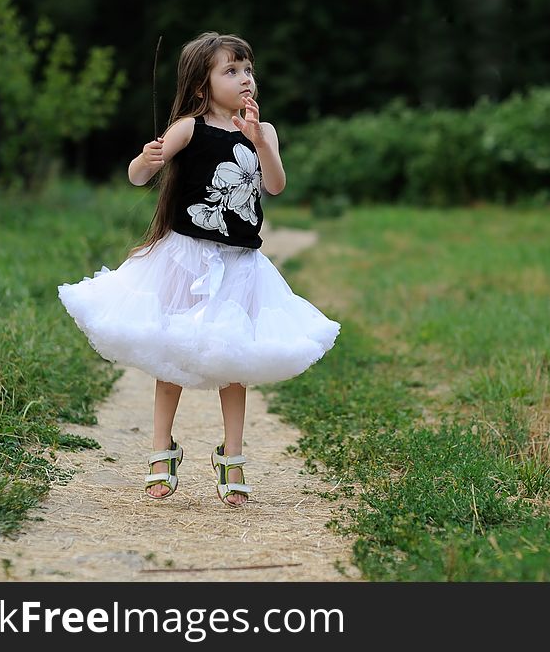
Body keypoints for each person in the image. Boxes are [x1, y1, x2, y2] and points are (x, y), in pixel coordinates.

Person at [58, 32, 340, 507]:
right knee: (171, 353)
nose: (244, 78)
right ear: (201, 87)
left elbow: (275, 184)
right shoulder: (189, 127)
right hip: (186, 256)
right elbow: (139, 176)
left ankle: (232, 457)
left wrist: (258, 141)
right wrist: (143, 162)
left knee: (235, 361)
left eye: (247, 68)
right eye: (230, 70)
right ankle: (160, 450)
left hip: (239, 264)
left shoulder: (262, 130)